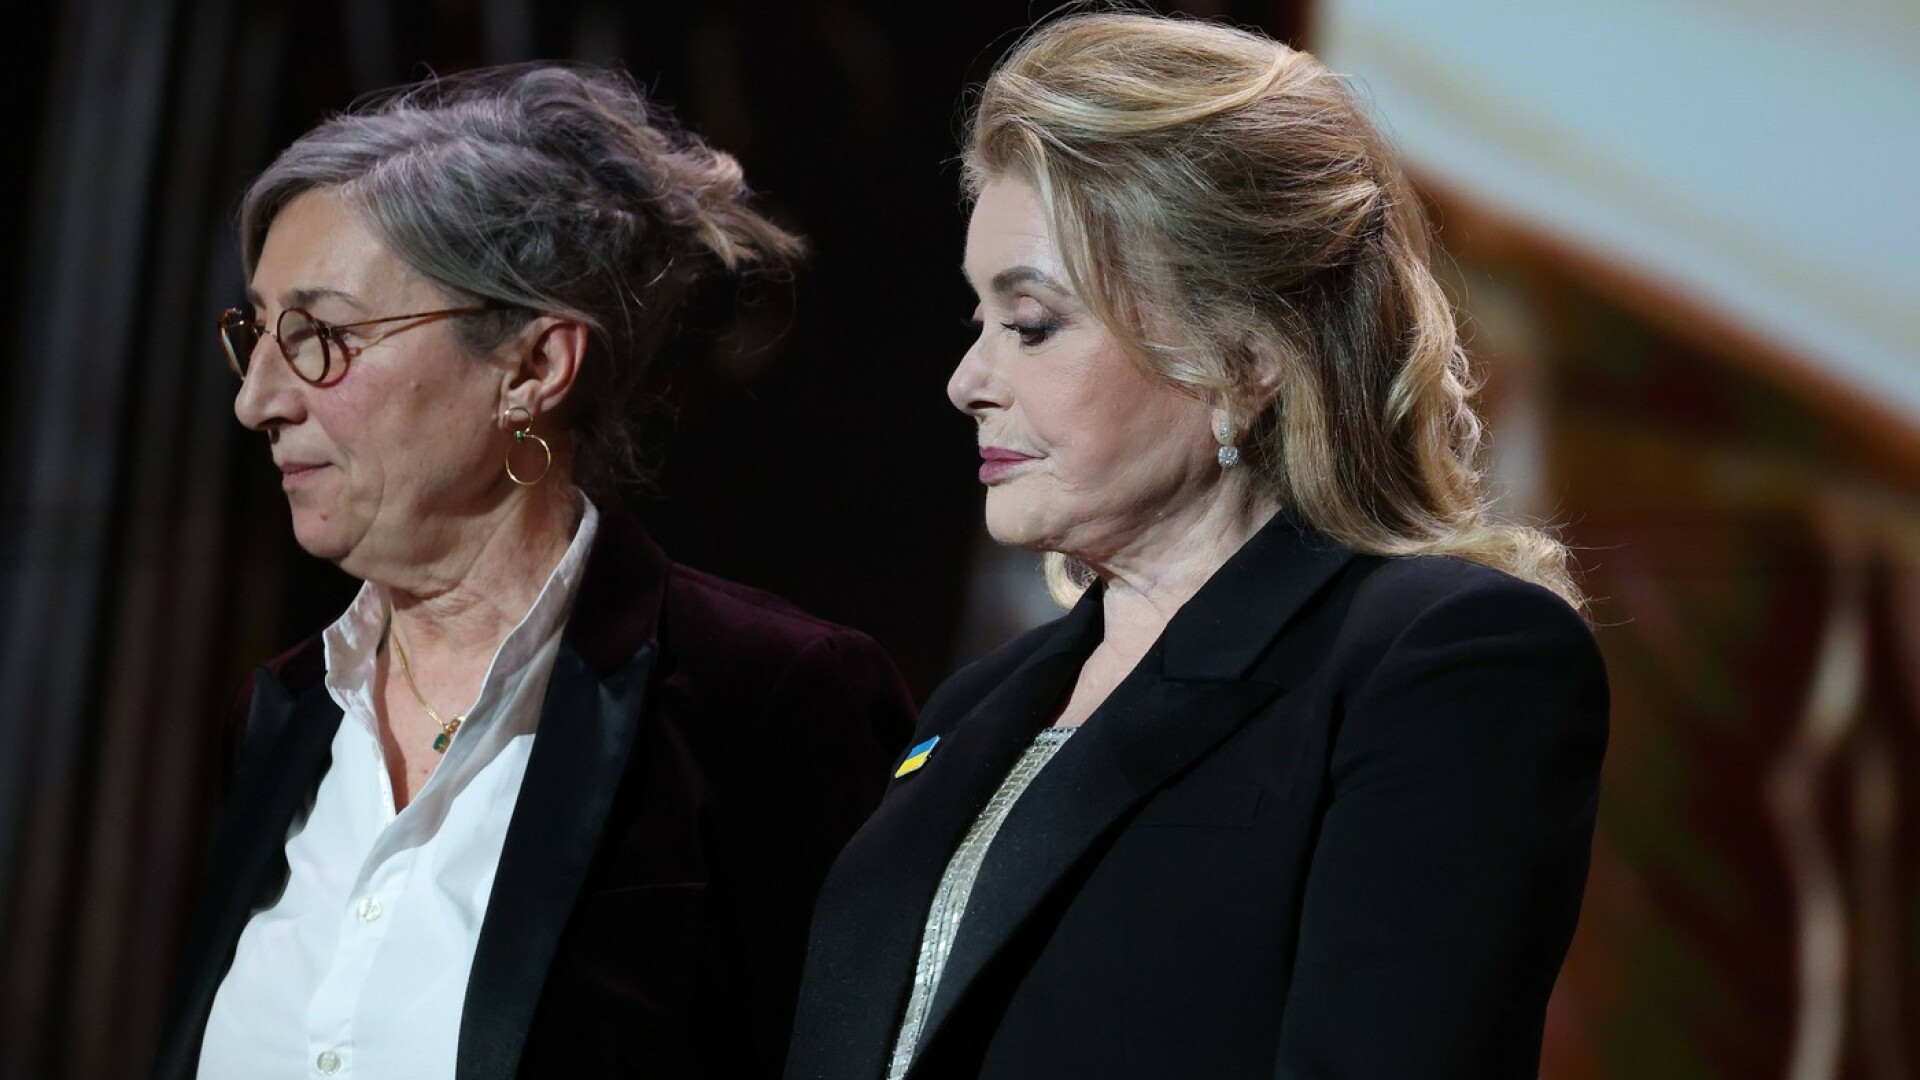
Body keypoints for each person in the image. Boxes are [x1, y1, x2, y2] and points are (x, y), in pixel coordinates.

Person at [786, 12, 1608, 1080]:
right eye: (977, 322)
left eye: (1031, 324)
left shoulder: (1443, 660)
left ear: (1242, 355)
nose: (968, 382)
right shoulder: (974, 705)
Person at [153, 64, 914, 1080]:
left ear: (532, 368)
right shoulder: (280, 715)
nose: (257, 401)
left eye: (320, 337)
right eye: (258, 334)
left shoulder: (766, 701)